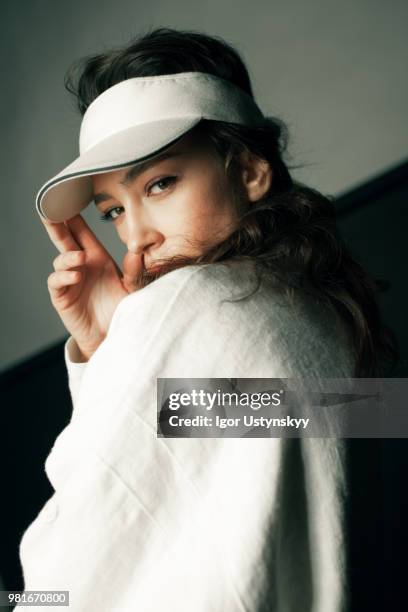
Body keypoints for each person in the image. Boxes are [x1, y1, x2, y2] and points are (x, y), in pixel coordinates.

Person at [16, 27, 398, 612]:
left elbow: (71, 568)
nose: (137, 234)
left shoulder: (186, 302)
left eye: (161, 183)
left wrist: (20, 601)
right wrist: (113, 349)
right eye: (114, 210)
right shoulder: (329, 318)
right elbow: (242, 430)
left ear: (248, 170)